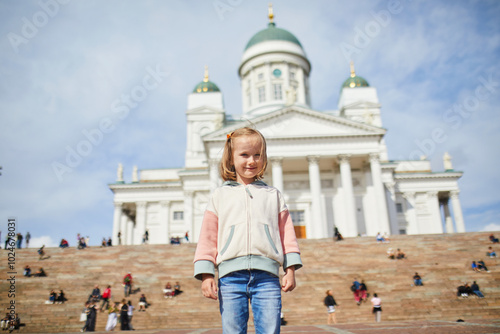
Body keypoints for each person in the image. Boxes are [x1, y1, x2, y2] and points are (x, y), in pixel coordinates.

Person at [193, 127, 302, 334]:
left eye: (257, 155)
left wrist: (290, 269)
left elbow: (287, 234)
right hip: (230, 276)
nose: (251, 161)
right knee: (233, 331)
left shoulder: (273, 195)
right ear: (231, 158)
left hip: (268, 276)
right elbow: (208, 237)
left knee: (270, 329)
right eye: (244, 155)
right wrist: (206, 274)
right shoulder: (220, 195)